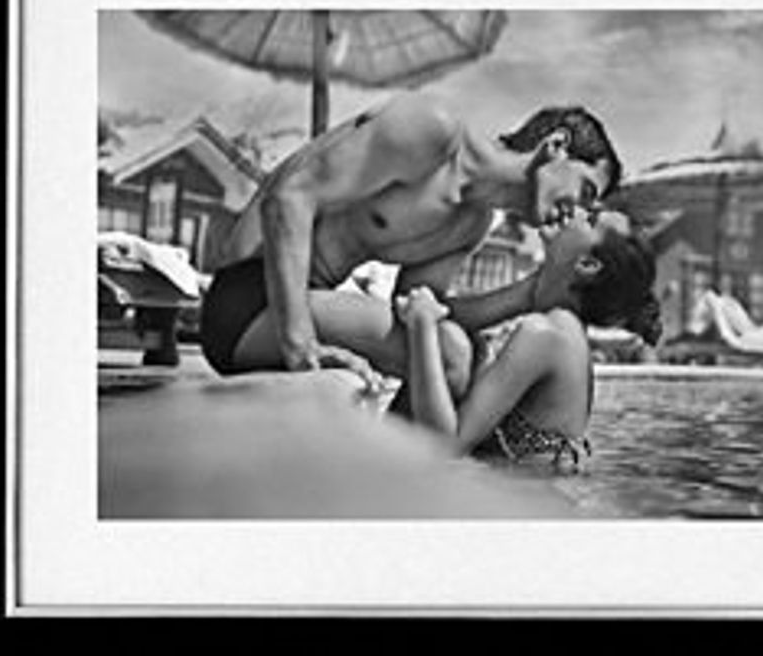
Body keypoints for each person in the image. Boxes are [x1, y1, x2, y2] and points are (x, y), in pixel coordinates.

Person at [200, 92, 623, 388]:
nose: (577, 212)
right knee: (451, 355)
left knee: (464, 352)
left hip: (302, 304)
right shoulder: (433, 130)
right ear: (556, 145)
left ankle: (403, 475)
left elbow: (418, 315)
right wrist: (300, 343)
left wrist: (532, 291)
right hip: (247, 298)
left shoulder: (471, 224)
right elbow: (288, 198)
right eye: (585, 191)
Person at [393, 207, 662, 471]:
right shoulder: (564, 328)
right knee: (457, 345)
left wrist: (421, 324)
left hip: (513, 494)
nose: (576, 210)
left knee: (450, 345)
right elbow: (451, 314)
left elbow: (448, 446)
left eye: (590, 219)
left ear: (587, 265)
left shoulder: (546, 334)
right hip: (533, 492)